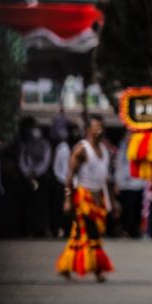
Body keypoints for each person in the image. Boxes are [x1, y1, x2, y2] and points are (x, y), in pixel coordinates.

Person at [56, 114, 114, 282]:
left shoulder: (104, 150)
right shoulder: (81, 149)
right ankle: (97, 270)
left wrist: (112, 202)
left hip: (98, 197)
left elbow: (106, 179)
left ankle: (65, 266)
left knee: (79, 234)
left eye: (101, 127)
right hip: (83, 197)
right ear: (88, 129)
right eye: (96, 127)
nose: (99, 130)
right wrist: (68, 199)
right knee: (91, 233)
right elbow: (69, 176)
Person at [19, 117, 52, 237]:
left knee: (42, 204)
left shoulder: (44, 144)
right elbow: (22, 160)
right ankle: (30, 229)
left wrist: (36, 172)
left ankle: (43, 228)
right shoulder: (25, 144)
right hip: (28, 178)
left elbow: (46, 161)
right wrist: (27, 173)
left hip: (41, 178)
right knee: (29, 204)